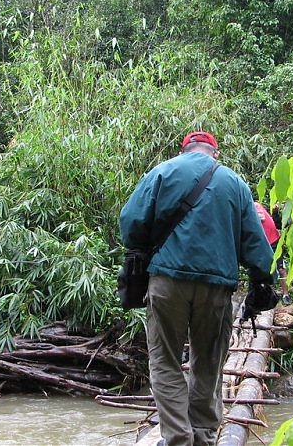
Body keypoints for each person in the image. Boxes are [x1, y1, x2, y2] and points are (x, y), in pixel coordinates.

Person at [119, 131, 275, 446]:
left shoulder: (162, 172)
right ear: (215, 154)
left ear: (184, 150)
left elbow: (131, 220)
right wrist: (262, 279)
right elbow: (255, 243)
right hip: (216, 287)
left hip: (167, 282)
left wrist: (141, 250)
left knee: (165, 361)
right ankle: (203, 436)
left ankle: (178, 438)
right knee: (209, 363)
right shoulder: (235, 184)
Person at [254, 201, 290, 303]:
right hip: (264, 243)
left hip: (274, 241)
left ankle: (286, 295)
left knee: (281, 269)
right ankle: (265, 295)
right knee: (264, 269)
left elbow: (262, 217)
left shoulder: (255, 205)